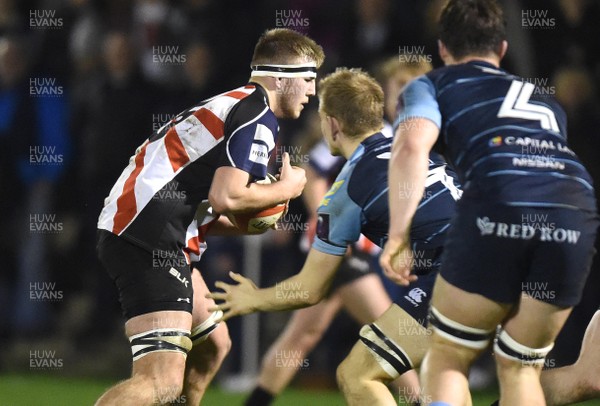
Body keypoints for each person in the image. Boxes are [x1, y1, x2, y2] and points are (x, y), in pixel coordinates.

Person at [379, 1, 599, 405]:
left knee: (448, 356)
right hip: (576, 212)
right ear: (500, 48)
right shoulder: (542, 99)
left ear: (442, 49)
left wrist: (398, 235)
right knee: (520, 366)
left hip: (500, 202)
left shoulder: (432, 84)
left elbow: (410, 145)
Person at [94, 28, 324, 405]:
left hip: (151, 227)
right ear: (280, 77)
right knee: (161, 382)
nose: (312, 91)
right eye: (308, 79)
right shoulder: (257, 116)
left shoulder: (236, 104)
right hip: (149, 235)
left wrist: (250, 221)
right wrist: (287, 189)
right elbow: (227, 194)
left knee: (214, 345)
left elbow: (209, 205)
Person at [208, 67, 461, 405]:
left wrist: (256, 297)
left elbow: (310, 288)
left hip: (452, 276)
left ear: (331, 123)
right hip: (505, 254)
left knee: (356, 373)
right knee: (479, 370)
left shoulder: (345, 193)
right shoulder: (417, 150)